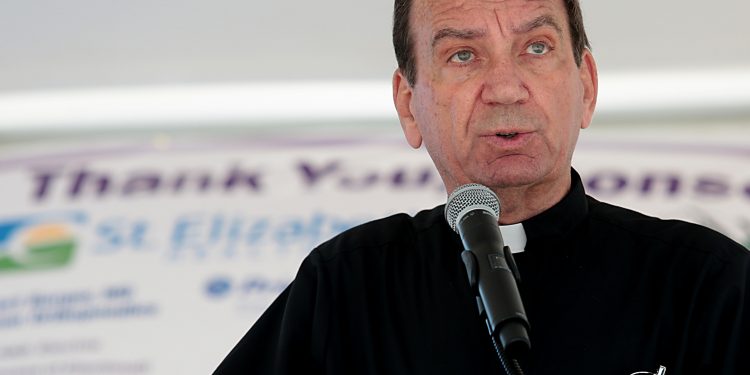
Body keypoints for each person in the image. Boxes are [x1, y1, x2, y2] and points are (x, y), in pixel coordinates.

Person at [214, 0, 750, 374]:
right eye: (463, 55)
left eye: (536, 48)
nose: (505, 87)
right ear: (409, 105)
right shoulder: (346, 287)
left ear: (586, 85)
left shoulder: (709, 282)